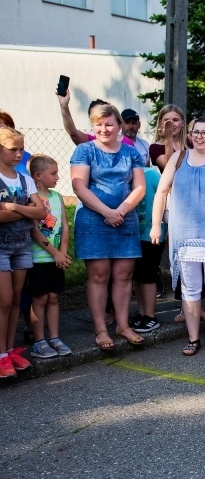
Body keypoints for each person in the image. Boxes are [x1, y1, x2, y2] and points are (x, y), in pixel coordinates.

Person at [151, 116, 205, 356]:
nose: (199, 136)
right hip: (183, 237)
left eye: (204, 132)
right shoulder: (177, 159)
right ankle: (193, 339)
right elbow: (161, 192)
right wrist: (156, 225)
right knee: (189, 289)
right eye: (195, 132)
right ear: (190, 135)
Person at [70, 105, 145, 351]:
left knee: (124, 274)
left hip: (125, 219)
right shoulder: (84, 150)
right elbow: (79, 186)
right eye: (98, 124)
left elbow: (139, 187)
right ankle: (101, 329)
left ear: (119, 126)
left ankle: (123, 325)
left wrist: (120, 211)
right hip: (93, 220)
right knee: (99, 274)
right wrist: (107, 212)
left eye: (109, 124)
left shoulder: (131, 152)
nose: (104, 129)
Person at [0, 128, 46, 378]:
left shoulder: (24, 179)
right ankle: (0, 356)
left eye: (21, 149)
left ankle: (8, 350)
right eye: (13, 149)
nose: (19, 154)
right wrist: (25, 210)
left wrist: (11, 207)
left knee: (16, 300)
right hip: (2, 246)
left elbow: (41, 212)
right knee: (4, 300)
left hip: (22, 245)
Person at [26, 154, 72, 358]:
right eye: (53, 173)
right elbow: (34, 231)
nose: (57, 177)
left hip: (56, 258)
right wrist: (55, 253)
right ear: (38, 175)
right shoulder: (31, 199)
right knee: (40, 298)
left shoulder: (57, 196)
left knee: (53, 297)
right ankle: (39, 341)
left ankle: (54, 337)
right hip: (39, 259)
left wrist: (62, 253)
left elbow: (65, 226)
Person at [130, 165, 167, 334]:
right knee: (137, 276)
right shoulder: (126, 174)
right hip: (135, 233)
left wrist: (161, 225)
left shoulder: (151, 174)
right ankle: (142, 312)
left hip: (151, 233)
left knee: (148, 275)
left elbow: (166, 197)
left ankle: (151, 316)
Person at [57, 90, 136, 148]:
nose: (104, 129)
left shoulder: (127, 144)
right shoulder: (89, 144)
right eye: (96, 117)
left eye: (108, 124)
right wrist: (64, 106)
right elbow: (73, 133)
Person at [149, 104, 187, 172]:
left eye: (175, 120)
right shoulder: (155, 147)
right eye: (166, 120)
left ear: (183, 123)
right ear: (161, 123)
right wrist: (168, 138)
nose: (171, 123)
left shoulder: (190, 144)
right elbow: (169, 167)